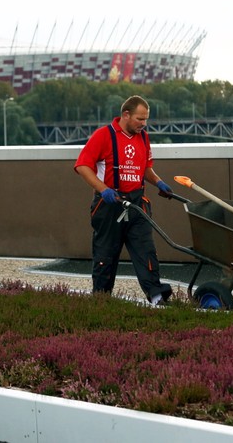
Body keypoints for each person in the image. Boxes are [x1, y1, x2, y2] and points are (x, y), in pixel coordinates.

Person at [74, 95, 174, 305]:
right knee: (106, 254)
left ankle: (156, 296)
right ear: (126, 115)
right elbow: (82, 166)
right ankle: (101, 300)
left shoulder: (143, 137)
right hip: (110, 204)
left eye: (146, 119)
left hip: (137, 203)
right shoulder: (104, 136)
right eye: (140, 119)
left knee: (146, 250)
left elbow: (145, 168)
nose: (144, 124)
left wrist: (159, 182)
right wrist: (103, 190)